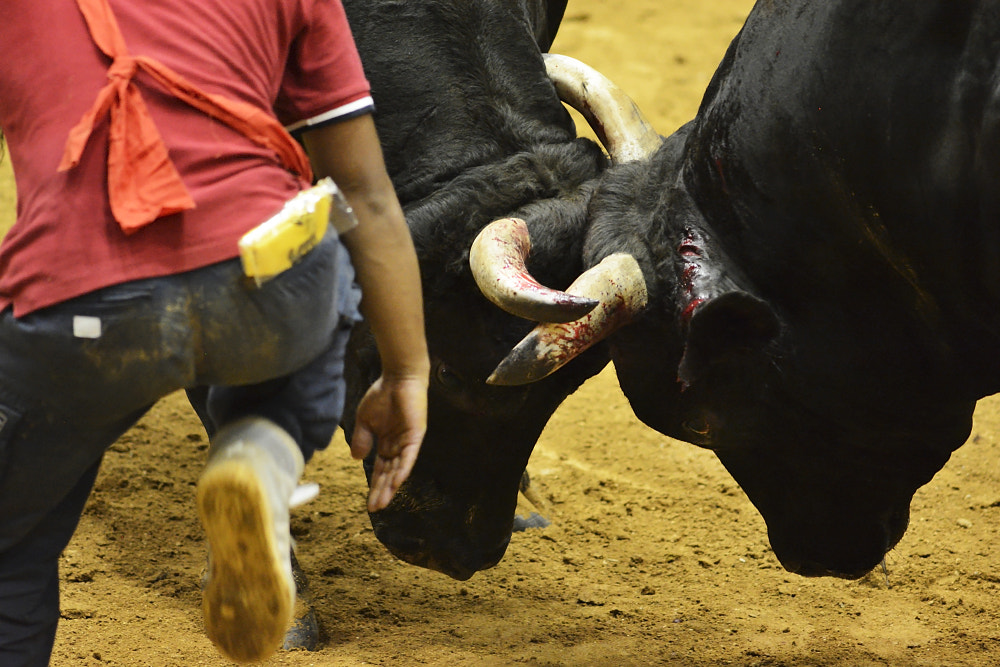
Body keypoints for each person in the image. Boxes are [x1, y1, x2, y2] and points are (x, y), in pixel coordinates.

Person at [0, 0, 430, 664]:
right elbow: (365, 195)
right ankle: (264, 445)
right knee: (326, 261)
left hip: (82, 296)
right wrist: (407, 371)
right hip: (268, 280)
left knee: (11, 549)